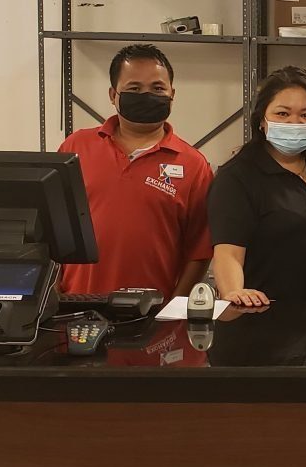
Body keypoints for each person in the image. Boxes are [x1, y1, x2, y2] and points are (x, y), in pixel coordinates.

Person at [58, 44, 212, 297]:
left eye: (157, 88)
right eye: (134, 89)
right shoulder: (75, 147)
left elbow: (200, 250)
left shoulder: (193, 164)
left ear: (172, 93)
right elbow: (53, 228)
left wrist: (172, 309)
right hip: (74, 304)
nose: (147, 95)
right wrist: (53, 293)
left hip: (151, 313)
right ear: (112, 94)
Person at [207, 67, 306, 308]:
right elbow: (228, 253)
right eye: (282, 113)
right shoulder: (237, 178)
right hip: (266, 315)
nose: (295, 123)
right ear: (261, 121)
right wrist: (235, 293)